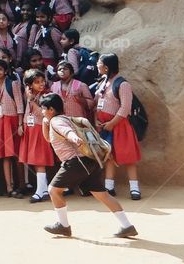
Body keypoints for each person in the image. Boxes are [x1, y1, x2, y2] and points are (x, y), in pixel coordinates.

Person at [41, 93, 138, 238]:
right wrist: (44, 122)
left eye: (43, 109)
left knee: (53, 191)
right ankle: (127, 226)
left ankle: (64, 226)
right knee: (102, 195)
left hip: (75, 162)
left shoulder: (56, 121)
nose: (42, 111)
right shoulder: (63, 119)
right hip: (89, 161)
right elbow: (49, 139)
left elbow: (67, 132)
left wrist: (74, 138)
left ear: (51, 110)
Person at [94, 54, 142, 200]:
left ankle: (134, 189)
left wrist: (112, 123)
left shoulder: (123, 84)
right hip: (105, 126)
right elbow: (97, 103)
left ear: (106, 67)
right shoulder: (102, 82)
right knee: (109, 156)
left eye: (99, 63)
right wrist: (97, 120)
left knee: (128, 157)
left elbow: (125, 108)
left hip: (120, 126)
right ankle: (109, 187)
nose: (97, 65)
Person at [0, 58, 25, 197]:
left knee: (16, 155)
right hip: (1, 122)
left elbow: (20, 105)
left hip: (14, 121)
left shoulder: (13, 84)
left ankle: (21, 185)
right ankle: (9, 187)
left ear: (5, 71)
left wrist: (21, 124)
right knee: (5, 156)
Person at [21, 69, 55, 203]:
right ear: (30, 85)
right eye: (37, 82)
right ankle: (44, 189)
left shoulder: (46, 95)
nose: (41, 84)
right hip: (29, 127)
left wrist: (31, 101)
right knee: (35, 160)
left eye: (42, 81)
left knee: (39, 159)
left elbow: (44, 114)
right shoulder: (28, 93)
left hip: (40, 127)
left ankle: (39, 191)